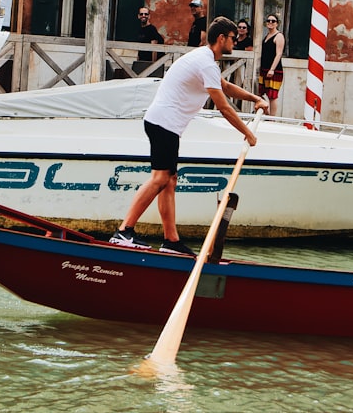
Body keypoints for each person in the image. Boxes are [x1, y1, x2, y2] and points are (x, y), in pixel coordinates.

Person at [111, 16, 270, 255]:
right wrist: (248, 133)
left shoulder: (207, 61)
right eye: (233, 39)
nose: (235, 43)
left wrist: (255, 98)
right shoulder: (205, 62)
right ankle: (124, 232)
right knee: (160, 179)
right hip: (164, 124)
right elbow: (224, 106)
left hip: (166, 125)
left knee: (168, 181)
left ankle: (171, 241)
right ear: (221, 38)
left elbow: (225, 87)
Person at [258, 14, 285, 116]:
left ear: (277, 23)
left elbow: (279, 54)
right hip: (264, 68)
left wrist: (272, 69)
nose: (270, 22)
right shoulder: (266, 36)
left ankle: (272, 118)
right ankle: (267, 114)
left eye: (273, 21)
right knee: (261, 93)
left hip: (274, 70)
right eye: (268, 20)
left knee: (272, 95)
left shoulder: (279, 36)